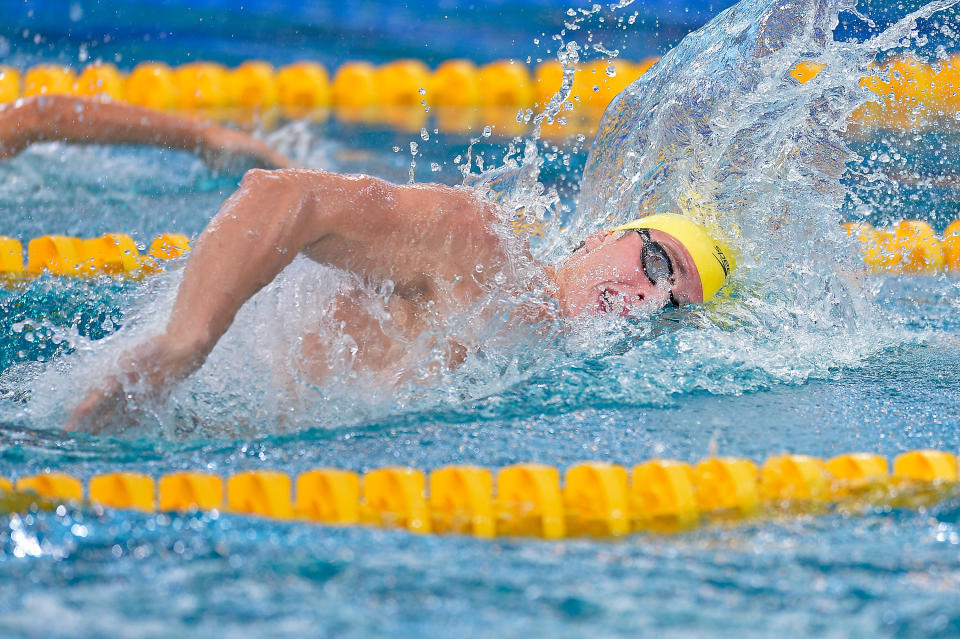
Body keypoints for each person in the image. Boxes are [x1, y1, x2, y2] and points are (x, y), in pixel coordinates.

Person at [0, 94, 734, 432]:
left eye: (671, 306)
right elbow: (280, 196)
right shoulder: (472, 246)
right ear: (596, 238)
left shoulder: (536, 370)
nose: (646, 296)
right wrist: (182, 344)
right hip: (111, 403)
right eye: (655, 262)